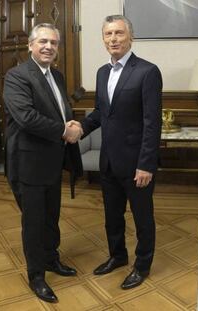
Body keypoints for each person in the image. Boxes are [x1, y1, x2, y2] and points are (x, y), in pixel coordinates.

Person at [3, 23, 84, 303]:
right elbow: (26, 117)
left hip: (52, 162)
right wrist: (65, 130)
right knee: (34, 222)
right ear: (30, 45)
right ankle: (36, 276)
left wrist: (69, 121)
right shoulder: (16, 76)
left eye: (53, 42)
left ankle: (52, 260)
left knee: (51, 218)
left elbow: (58, 110)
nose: (49, 46)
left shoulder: (57, 76)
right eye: (43, 42)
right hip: (28, 164)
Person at [80, 15, 162, 290]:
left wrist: (146, 165)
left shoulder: (148, 71)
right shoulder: (102, 72)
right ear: (103, 39)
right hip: (108, 161)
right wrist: (79, 128)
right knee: (112, 216)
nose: (113, 39)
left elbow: (153, 123)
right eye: (107, 34)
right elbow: (102, 113)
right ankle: (117, 256)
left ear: (131, 37)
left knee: (142, 218)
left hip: (137, 163)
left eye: (118, 33)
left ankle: (142, 265)